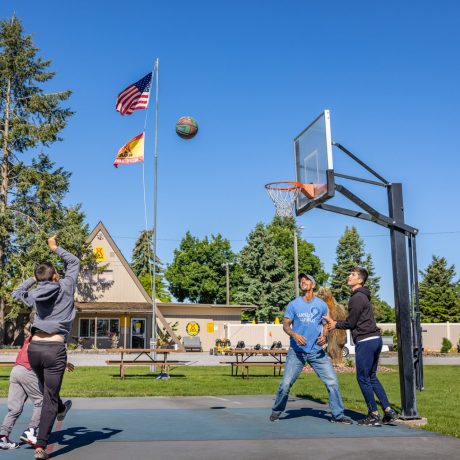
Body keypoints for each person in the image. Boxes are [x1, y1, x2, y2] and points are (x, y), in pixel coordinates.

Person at [12, 236, 80, 459]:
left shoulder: (36, 295)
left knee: (47, 392)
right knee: (49, 397)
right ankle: (41, 446)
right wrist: (54, 248)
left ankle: (60, 407)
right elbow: (74, 262)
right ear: (55, 276)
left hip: (34, 351)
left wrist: (33, 279)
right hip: (53, 350)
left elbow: (17, 294)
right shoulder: (66, 286)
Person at [270, 273, 353, 424]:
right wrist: (295, 335)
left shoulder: (321, 305)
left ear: (313, 285)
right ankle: (277, 410)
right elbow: (286, 325)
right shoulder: (294, 304)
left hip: (317, 352)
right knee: (286, 384)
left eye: (307, 279)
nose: (303, 281)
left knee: (332, 382)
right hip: (297, 352)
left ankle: (338, 415)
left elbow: (328, 323)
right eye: (301, 280)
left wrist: (325, 335)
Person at [323, 267, 398, 426]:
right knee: (371, 377)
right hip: (375, 339)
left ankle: (373, 414)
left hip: (366, 341)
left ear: (360, 280)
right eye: (350, 274)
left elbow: (351, 323)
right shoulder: (363, 296)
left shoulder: (357, 298)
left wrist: (335, 324)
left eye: (353, 275)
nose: (349, 276)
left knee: (362, 378)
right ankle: (389, 411)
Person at [0, 336, 74, 450]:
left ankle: (3, 437)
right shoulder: (48, 338)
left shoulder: (35, 335)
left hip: (16, 370)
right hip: (28, 371)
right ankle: (31, 430)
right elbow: (49, 355)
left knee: (14, 408)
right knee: (42, 401)